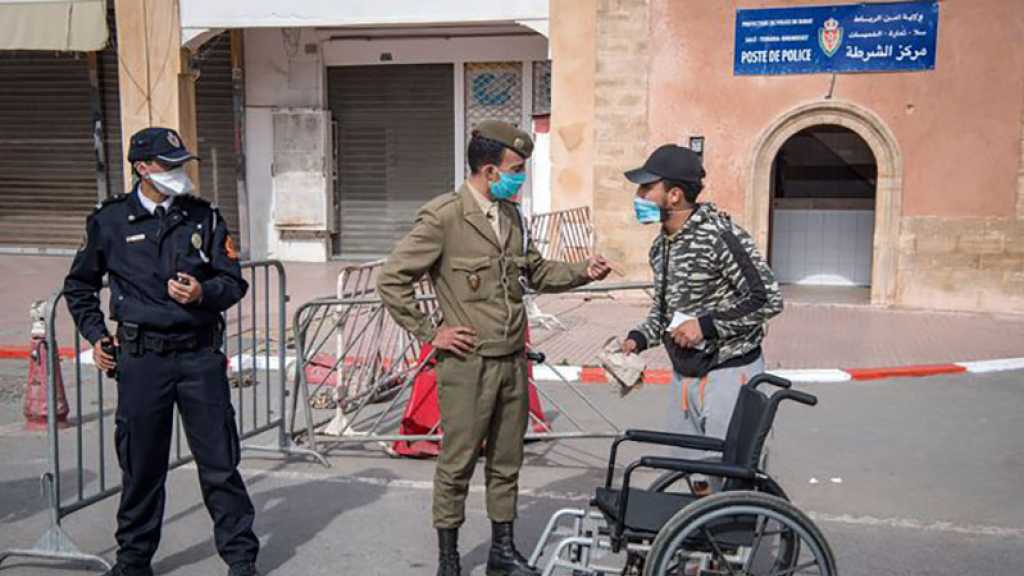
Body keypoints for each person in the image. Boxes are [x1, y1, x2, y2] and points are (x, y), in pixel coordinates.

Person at [377, 120, 612, 576]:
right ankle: (449, 560)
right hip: (467, 365)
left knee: (507, 461)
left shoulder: (511, 216)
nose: (520, 177)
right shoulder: (444, 217)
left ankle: (501, 552)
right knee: (458, 463)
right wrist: (431, 332)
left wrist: (585, 270)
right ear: (488, 170)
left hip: (511, 361)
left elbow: (537, 273)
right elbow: (392, 279)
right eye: (516, 169)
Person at [63, 127, 260, 576]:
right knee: (142, 467)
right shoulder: (109, 221)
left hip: (198, 357)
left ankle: (241, 558)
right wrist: (97, 336)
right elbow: (79, 287)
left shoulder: (203, 217)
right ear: (142, 168)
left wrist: (202, 293)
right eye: (168, 165)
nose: (179, 173)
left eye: (180, 164)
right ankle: (133, 561)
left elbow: (233, 281)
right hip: (141, 360)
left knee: (219, 464)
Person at [621, 144, 783, 492]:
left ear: (674, 195)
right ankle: (700, 540)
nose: (639, 195)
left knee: (729, 477)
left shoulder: (720, 236)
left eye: (647, 188)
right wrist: (636, 339)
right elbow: (665, 314)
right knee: (692, 476)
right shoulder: (661, 245)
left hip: (728, 372)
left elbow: (767, 298)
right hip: (686, 375)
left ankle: (731, 538)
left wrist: (705, 325)